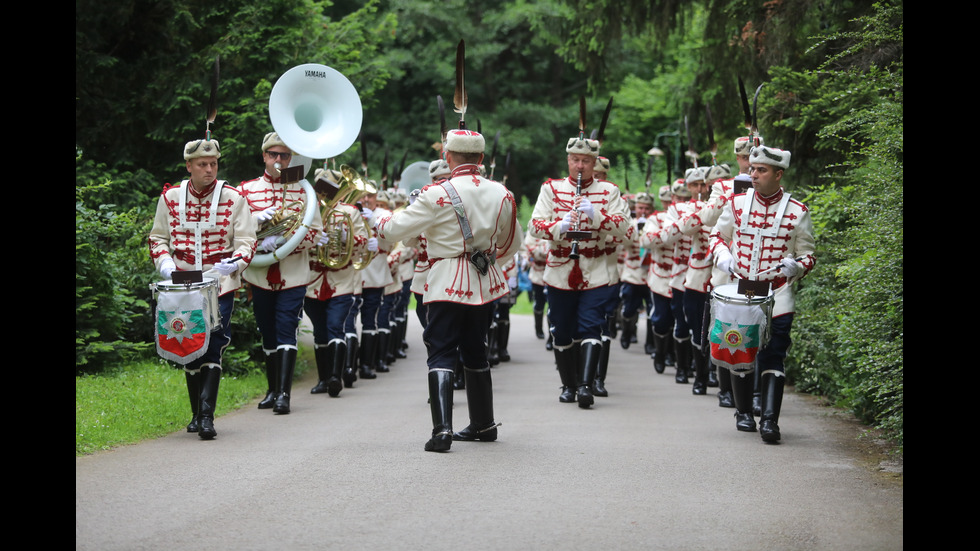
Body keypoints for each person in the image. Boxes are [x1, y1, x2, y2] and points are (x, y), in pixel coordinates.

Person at [375, 129, 523, 452]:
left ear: (447, 157)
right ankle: (484, 424)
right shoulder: (502, 193)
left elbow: (393, 231)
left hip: (444, 281)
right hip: (484, 283)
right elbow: (513, 244)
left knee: (441, 350)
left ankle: (442, 430)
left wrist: (381, 216)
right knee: (476, 349)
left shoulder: (435, 194)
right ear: (481, 159)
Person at [149, 137, 256, 440]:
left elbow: (247, 240)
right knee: (187, 341)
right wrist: (166, 266)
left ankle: (207, 416)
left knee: (213, 341)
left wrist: (234, 263)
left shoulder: (234, 197)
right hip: (180, 282)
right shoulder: (170, 197)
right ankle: (196, 414)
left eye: (214, 164)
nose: (209, 169)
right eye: (202, 164)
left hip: (218, 280)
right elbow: (157, 238)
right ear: (189, 166)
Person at [710, 145, 816, 443]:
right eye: (752, 169)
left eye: (761, 170)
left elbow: (809, 255)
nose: (752, 174)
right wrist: (721, 255)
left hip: (778, 293)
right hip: (741, 290)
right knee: (739, 350)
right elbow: (718, 236)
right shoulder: (737, 203)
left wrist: (796, 266)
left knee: (774, 355)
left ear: (778, 174)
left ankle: (770, 420)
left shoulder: (798, 211)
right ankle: (743, 412)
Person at [528, 132, 630, 408]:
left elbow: (623, 226)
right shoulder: (551, 189)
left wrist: (595, 215)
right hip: (560, 268)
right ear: (568, 160)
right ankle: (568, 384)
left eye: (586, 161)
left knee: (591, 325)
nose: (580, 166)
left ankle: (586, 385)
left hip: (595, 269)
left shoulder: (609, 192)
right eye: (575, 160)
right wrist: (560, 226)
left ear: (594, 162)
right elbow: (534, 226)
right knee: (562, 330)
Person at [239, 132, 323, 415]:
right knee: (267, 330)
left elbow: (316, 234)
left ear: (291, 159)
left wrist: (288, 241)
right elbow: (234, 230)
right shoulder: (247, 190)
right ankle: (272, 388)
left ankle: (284, 395)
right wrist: (257, 228)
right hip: (259, 273)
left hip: (293, 272)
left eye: (284, 155)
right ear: (264, 156)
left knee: (287, 327)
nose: (278, 160)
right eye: (273, 154)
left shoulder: (303, 191)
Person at [303, 168, 369, 397]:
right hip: (312, 279)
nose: (324, 194)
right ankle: (323, 378)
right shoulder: (307, 210)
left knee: (335, 326)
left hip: (341, 279)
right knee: (319, 331)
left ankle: (335, 376)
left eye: (329, 189)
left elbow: (364, 242)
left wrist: (345, 237)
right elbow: (296, 241)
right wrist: (311, 238)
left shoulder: (350, 212)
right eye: (321, 189)